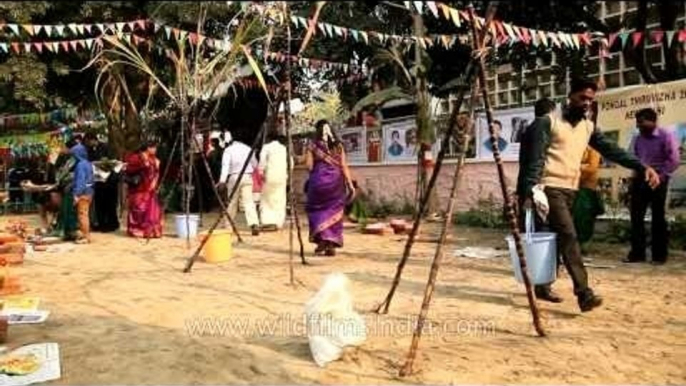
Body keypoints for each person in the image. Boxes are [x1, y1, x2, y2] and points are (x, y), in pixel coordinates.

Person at [520, 78, 660, 312]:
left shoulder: (588, 126)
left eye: (590, 100)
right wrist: (528, 192)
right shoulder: (548, 122)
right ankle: (584, 293)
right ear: (570, 96)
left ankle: (542, 287)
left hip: (571, 189)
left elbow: (612, 151)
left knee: (556, 237)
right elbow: (533, 161)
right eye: (582, 98)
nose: (586, 103)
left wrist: (642, 167)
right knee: (569, 236)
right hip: (548, 188)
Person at [515, 97, 558, 302]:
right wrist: (532, 192)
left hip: (528, 187)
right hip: (535, 189)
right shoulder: (542, 127)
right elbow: (535, 162)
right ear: (552, 112)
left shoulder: (530, 129)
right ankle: (543, 285)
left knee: (535, 233)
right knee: (543, 234)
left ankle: (540, 282)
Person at [626, 108, 680, 265]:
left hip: (659, 180)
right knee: (636, 217)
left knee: (658, 217)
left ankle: (659, 256)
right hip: (640, 178)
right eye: (637, 122)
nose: (639, 126)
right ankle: (637, 254)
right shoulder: (637, 137)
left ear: (653, 121)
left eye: (641, 122)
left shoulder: (666, 135)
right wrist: (634, 176)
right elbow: (632, 157)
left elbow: (674, 160)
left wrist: (661, 176)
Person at [305, 120, 354, 256]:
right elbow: (344, 166)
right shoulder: (338, 146)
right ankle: (331, 242)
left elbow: (309, 166)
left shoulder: (312, 145)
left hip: (318, 182)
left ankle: (322, 240)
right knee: (334, 210)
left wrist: (307, 156)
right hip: (336, 183)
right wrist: (350, 185)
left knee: (316, 210)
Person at [218, 131, 260, 236]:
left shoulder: (228, 150)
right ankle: (254, 223)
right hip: (247, 176)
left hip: (234, 176)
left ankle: (228, 225)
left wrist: (222, 181)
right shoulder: (248, 149)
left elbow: (225, 166)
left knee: (232, 201)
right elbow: (255, 164)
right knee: (249, 201)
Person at [125, 142, 163, 239]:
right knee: (139, 209)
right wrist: (143, 164)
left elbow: (156, 172)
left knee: (152, 211)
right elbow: (129, 169)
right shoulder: (136, 157)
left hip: (150, 188)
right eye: (153, 148)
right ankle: (137, 230)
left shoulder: (154, 159)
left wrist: (155, 181)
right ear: (147, 148)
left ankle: (152, 231)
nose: (155, 150)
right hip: (139, 188)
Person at [84, 133, 120, 232]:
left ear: (93, 140)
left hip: (110, 180)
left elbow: (113, 161)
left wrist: (104, 162)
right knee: (100, 203)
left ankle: (112, 224)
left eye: (88, 141)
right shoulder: (89, 150)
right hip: (98, 180)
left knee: (110, 203)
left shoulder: (106, 147)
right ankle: (101, 223)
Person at [572, 147, 604, 255]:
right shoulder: (575, 144)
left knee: (584, 218)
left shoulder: (593, 149)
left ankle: (583, 245)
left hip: (587, 188)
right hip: (572, 187)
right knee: (574, 218)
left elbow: (592, 168)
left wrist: (576, 169)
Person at [258, 133, 289, 231]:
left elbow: (262, 162)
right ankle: (278, 222)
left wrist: (261, 172)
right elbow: (290, 162)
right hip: (282, 176)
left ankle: (268, 221)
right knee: (280, 199)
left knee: (266, 199)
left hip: (269, 175)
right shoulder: (284, 148)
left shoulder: (266, 147)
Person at [71, 142, 95, 244]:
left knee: (82, 215)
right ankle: (84, 234)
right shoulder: (88, 163)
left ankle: (86, 236)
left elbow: (80, 181)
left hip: (83, 193)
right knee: (85, 214)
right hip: (89, 191)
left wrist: (76, 194)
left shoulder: (80, 165)